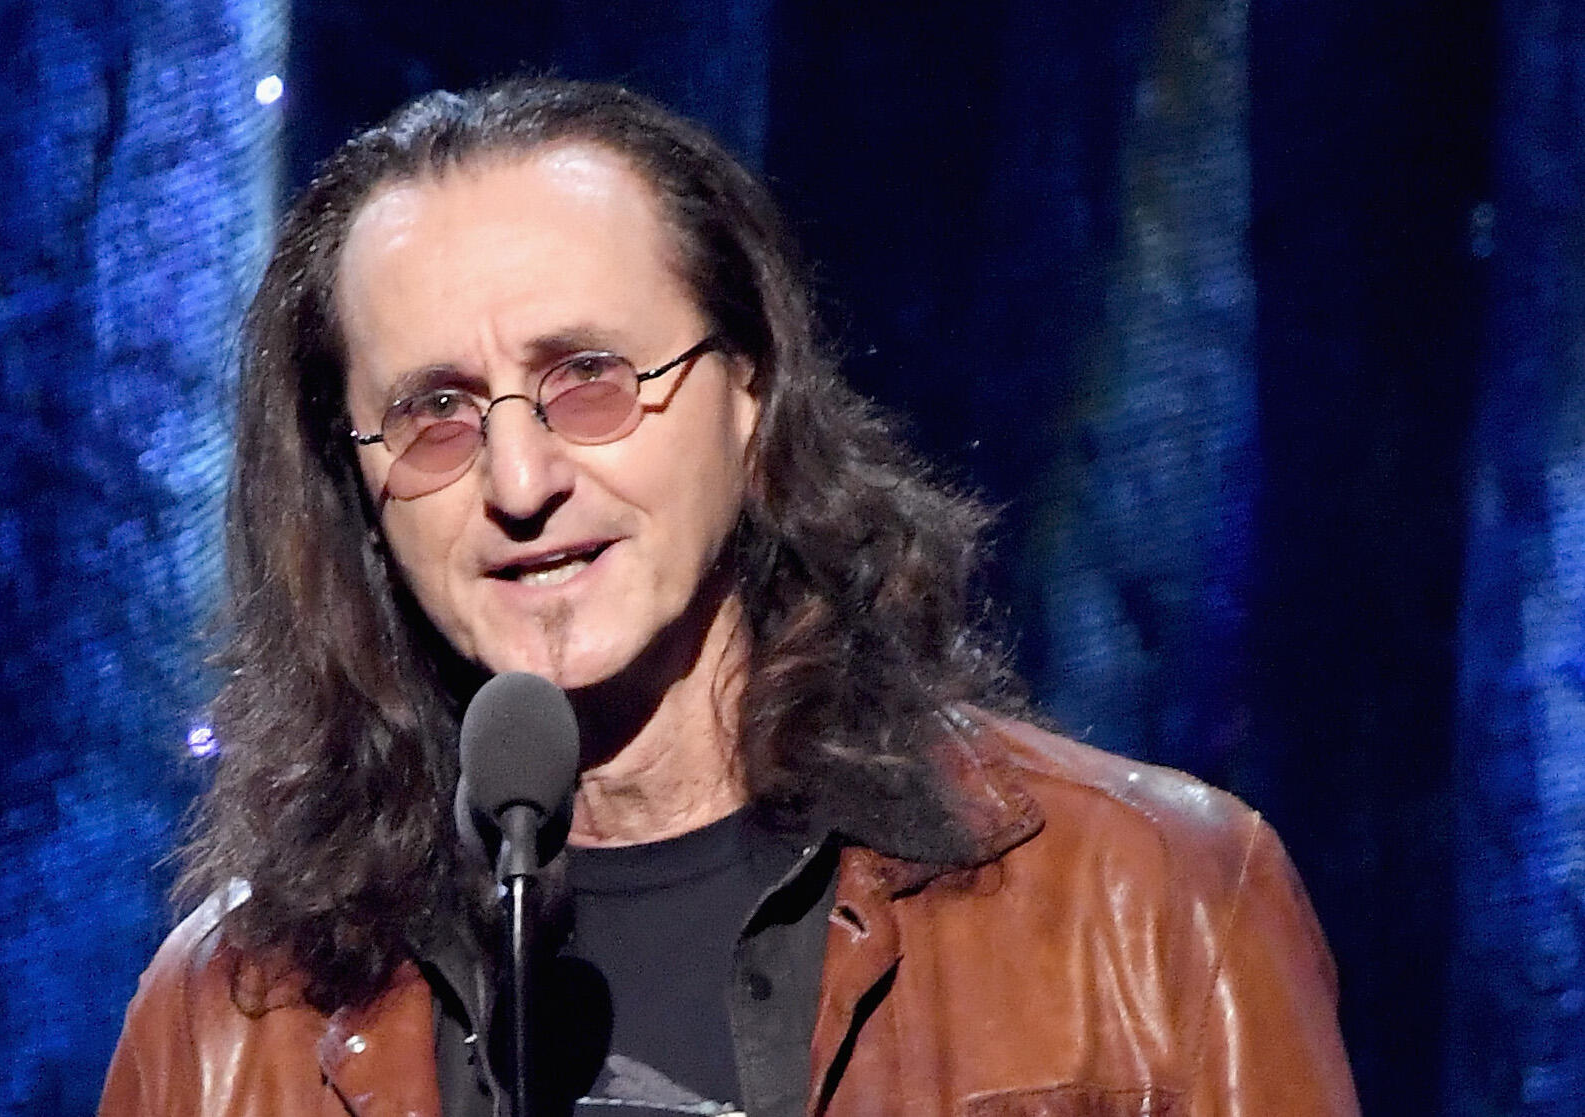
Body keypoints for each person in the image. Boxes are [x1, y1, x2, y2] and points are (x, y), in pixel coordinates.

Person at [98, 77, 1359, 1117]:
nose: (520, 481)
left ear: (750, 396)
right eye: (435, 413)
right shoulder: (230, 1024)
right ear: (357, 487)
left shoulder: (1152, 906)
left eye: (589, 377)